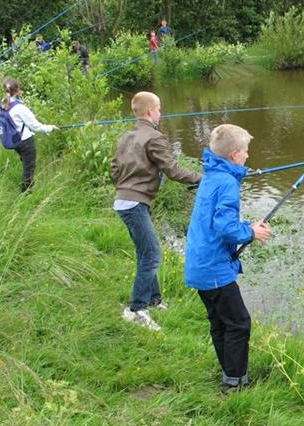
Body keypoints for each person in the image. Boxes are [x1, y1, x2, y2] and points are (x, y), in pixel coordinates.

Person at [184, 124, 273, 394]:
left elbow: (217, 222)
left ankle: (230, 374)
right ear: (234, 155)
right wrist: (251, 233)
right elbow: (224, 228)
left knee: (220, 322)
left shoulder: (212, 175)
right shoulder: (227, 183)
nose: (248, 155)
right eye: (245, 151)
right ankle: (234, 383)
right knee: (239, 323)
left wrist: (247, 226)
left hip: (200, 264)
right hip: (215, 269)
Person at [110, 91, 202, 331]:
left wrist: (126, 187)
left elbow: (114, 169)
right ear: (151, 111)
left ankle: (154, 299)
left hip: (123, 201)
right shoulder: (154, 137)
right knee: (152, 255)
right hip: (134, 203)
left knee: (145, 252)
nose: (160, 113)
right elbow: (173, 170)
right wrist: (202, 178)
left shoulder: (126, 136)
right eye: (159, 109)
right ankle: (136, 309)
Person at [0, 78, 59, 191]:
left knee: (26, 163)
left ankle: (27, 188)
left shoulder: (3, 102)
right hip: (25, 141)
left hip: (14, 140)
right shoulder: (19, 108)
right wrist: (51, 128)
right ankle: (27, 192)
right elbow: (35, 126)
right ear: (17, 90)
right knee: (29, 168)